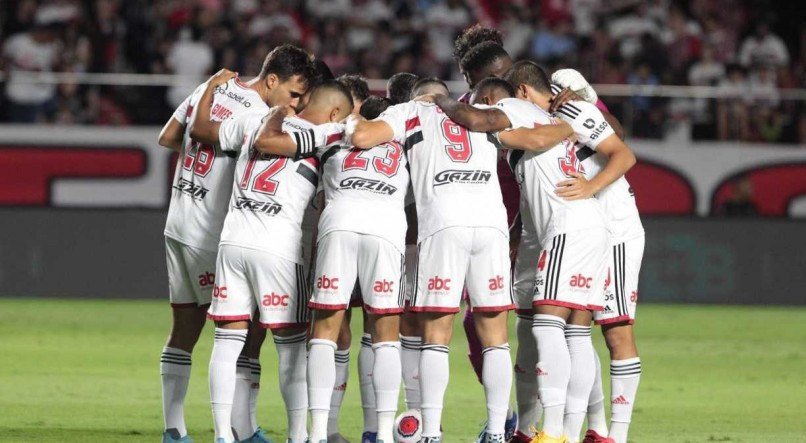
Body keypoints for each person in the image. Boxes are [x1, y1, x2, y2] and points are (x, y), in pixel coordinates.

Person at [347, 78, 522, 443]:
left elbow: (362, 138)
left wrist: (350, 119)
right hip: (491, 223)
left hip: (444, 223)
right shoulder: (480, 113)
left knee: (436, 336)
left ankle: (429, 433)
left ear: (419, 96)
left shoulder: (408, 112)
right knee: (496, 337)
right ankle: (496, 431)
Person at [156, 44, 314, 443]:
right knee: (248, 330)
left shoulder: (210, 88)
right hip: (212, 232)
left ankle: (174, 430)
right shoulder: (259, 116)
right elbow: (208, 135)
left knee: (184, 328)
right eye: (294, 94)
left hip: (178, 221)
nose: (295, 105)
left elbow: (169, 137)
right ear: (272, 80)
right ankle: (240, 430)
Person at [191, 75, 350, 443]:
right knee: (292, 350)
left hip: (233, 243)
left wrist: (214, 86)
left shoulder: (254, 119)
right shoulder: (326, 136)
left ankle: (222, 436)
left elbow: (201, 131)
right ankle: (298, 436)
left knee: (226, 343)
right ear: (336, 111)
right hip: (278, 248)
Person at [299, 94, 409, 443]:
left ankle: (317, 433)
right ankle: (384, 434)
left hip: (340, 223)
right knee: (385, 335)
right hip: (387, 229)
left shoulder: (333, 138)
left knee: (325, 330)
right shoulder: (406, 144)